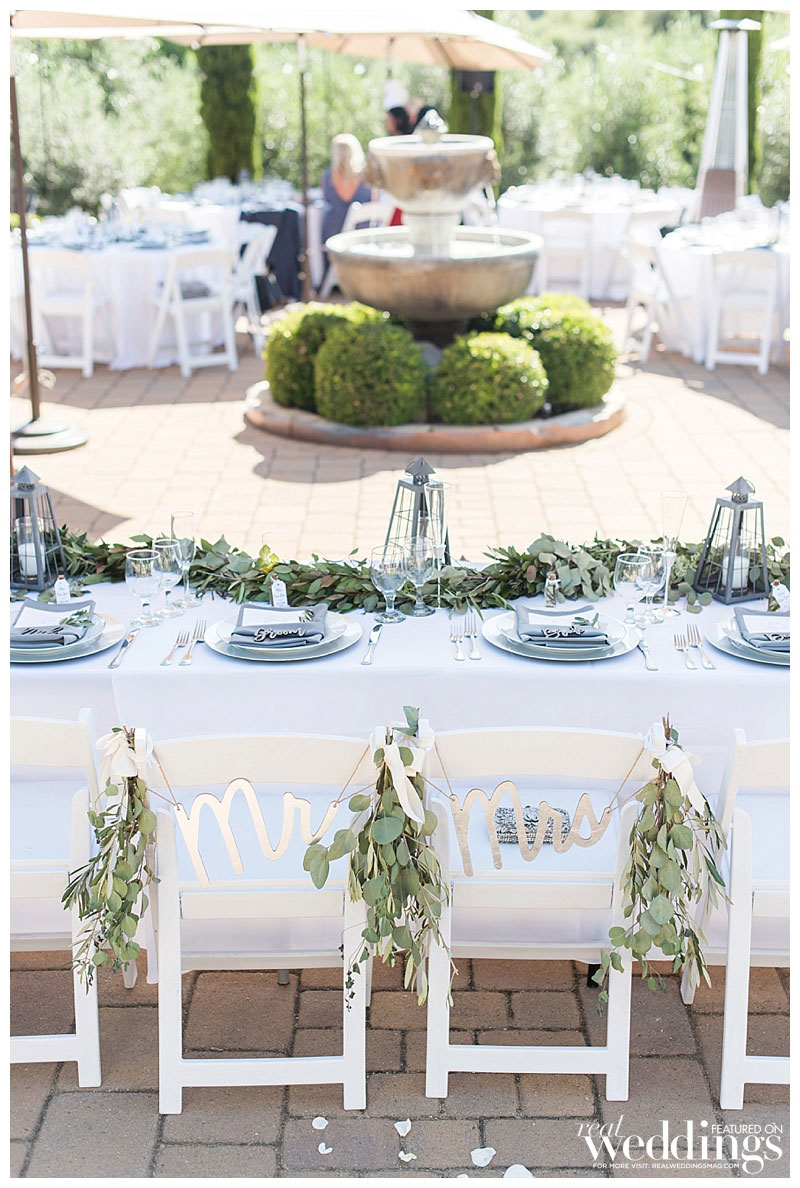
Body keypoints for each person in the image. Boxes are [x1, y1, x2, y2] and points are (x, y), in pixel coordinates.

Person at [320, 134, 372, 246]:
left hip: (333, 236)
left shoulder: (327, 177)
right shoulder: (368, 177)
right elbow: (375, 204)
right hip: (362, 235)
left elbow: (324, 199)